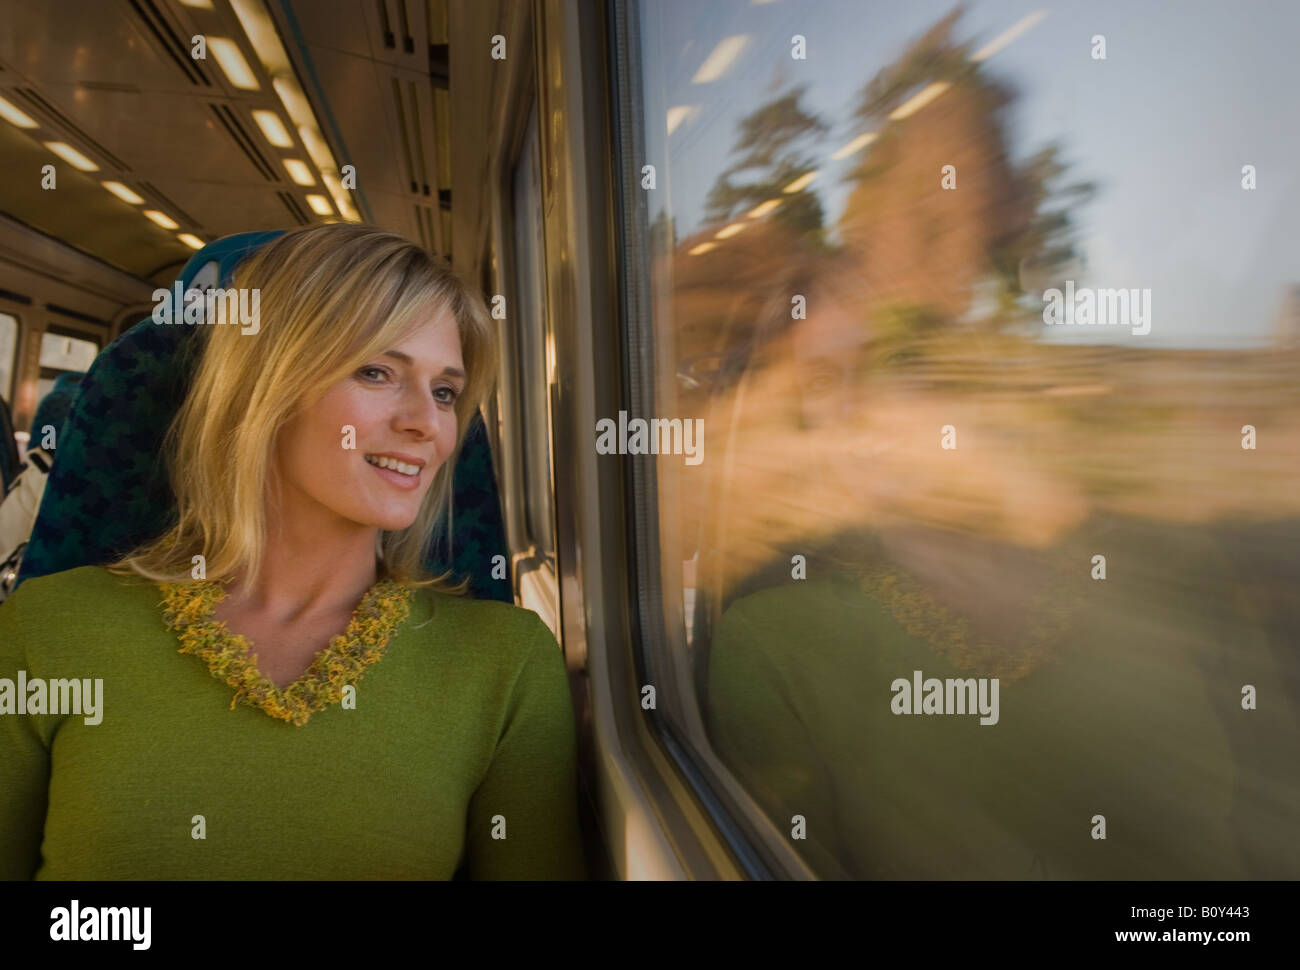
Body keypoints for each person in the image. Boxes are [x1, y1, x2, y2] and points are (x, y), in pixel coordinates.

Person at [0, 224, 587, 880]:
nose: (428, 422)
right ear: (265, 389)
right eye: (377, 371)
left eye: (445, 391)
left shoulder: (505, 663)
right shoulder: (49, 631)